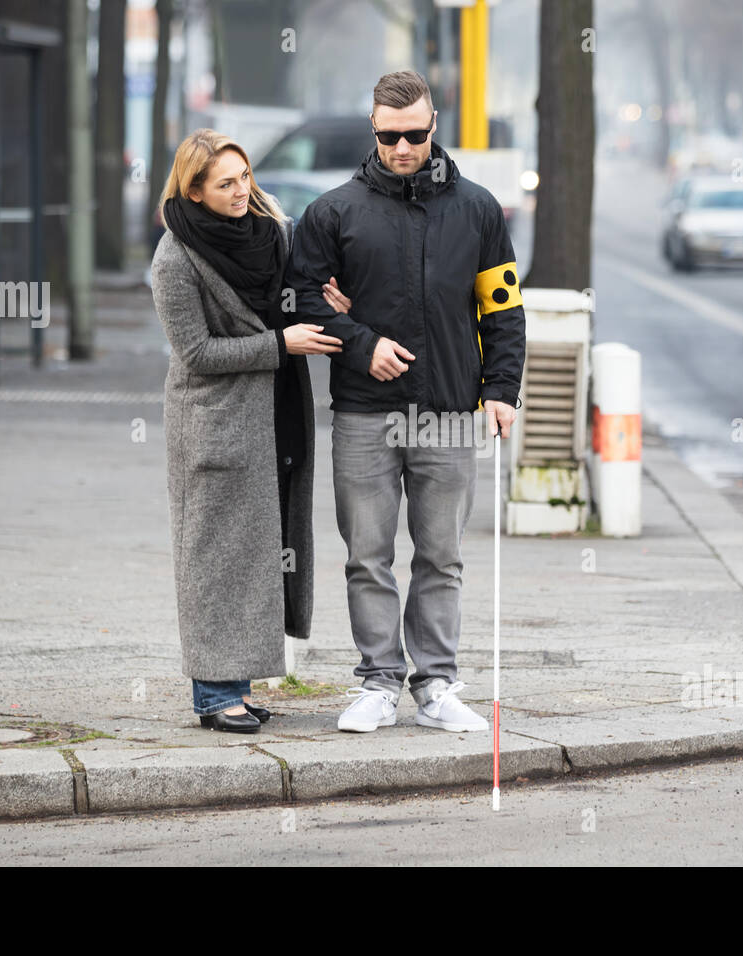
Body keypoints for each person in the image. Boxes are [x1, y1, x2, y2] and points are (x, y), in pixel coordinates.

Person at [286, 71, 527, 733]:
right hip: (365, 409)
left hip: (449, 410)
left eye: (414, 136)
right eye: (388, 136)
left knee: (441, 554)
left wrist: (501, 390)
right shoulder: (332, 212)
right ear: (373, 129)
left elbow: (503, 308)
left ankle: (437, 685)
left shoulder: (478, 210)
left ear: (434, 125)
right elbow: (302, 299)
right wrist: (362, 346)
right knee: (367, 553)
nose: (401, 148)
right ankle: (378, 682)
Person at [150, 129, 348, 734]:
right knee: (214, 558)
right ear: (195, 191)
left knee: (261, 554)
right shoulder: (174, 259)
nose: (241, 192)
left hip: (273, 411)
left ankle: (234, 685)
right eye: (226, 184)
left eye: (245, 178)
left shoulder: (273, 232)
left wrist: (325, 305)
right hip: (213, 424)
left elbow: (292, 302)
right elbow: (196, 352)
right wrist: (280, 344)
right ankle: (214, 694)